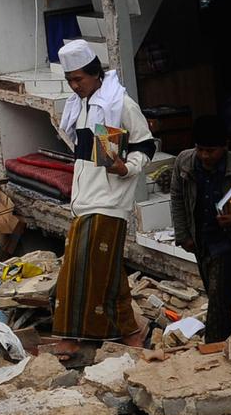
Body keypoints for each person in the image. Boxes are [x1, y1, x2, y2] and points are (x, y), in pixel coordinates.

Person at [51, 39, 157, 359]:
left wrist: (128, 167)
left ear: (95, 74)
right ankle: (130, 332)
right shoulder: (79, 105)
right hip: (84, 199)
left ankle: (72, 338)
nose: (74, 86)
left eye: (78, 79)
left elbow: (145, 145)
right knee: (106, 270)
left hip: (109, 200)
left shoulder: (119, 103)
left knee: (81, 269)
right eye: (70, 80)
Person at [170, 116, 231, 343]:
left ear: (225, 146)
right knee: (221, 295)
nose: (205, 156)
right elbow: (176, 198)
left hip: (230, 244)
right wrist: (183, 234)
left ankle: (213, 345)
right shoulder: (184, 162)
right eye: (201, 149)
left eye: (211, 150)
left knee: (218, 296)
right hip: (201, 241)